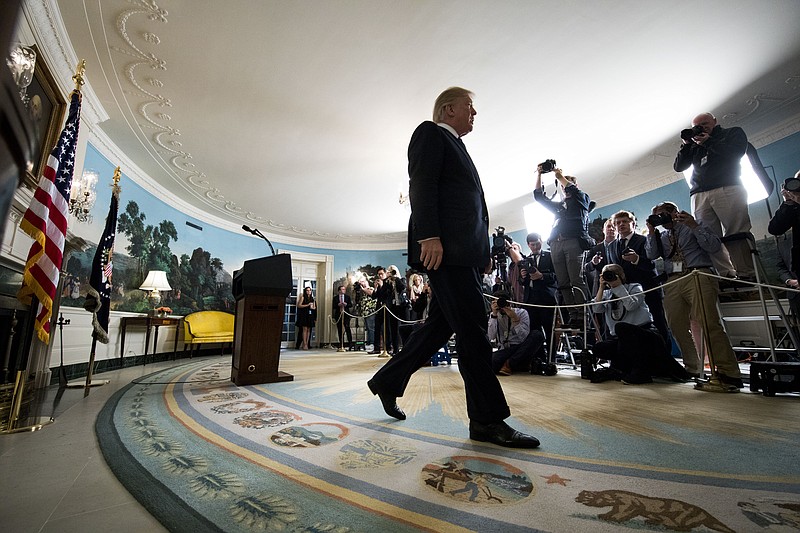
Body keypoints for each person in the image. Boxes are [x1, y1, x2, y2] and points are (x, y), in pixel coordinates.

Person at [366, 87, 540, 448]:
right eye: (469, 107)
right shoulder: (430, 133)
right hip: (444, 252)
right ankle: (487, 420)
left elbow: (470, 207)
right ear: (448, 110)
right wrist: (429, 235)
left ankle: (387, 381)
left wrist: (482, 254)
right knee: (474, 329)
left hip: (464, 254)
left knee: (439, 327)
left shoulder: (459, 146)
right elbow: (422, 185)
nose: (474, 113)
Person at [644, 202, 743, 388]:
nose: (662, 220)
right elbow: (651, 255)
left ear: (675, 212)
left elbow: (713, 246)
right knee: (676, 325)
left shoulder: (693, 225)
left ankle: (728, 372)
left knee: (708, 322)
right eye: (657, 216)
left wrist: (694, 226)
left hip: (697, 273)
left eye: (664, 214)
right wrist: (651, 232)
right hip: (672, 279)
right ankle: (692, 367)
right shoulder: (661, 236)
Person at [673, 112, 754, 280]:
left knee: (736, 231)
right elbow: (679, 166)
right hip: (699, 193)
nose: (701, 127)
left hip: (728, 186)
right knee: (709, 236)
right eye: (697, 125)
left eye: (705, 123)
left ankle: (747, 275)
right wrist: (687, 144)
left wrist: (708, 141)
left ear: (715, 121)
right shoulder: (695, 143)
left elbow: (736, 153)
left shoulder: (731, 133)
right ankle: (725, 275)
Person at [590, 264, 689, 384]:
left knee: (621, 327)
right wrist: (601, 288)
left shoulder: (635, 287)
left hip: (644, 333)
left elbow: (631, 306)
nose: (608, 277)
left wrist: (619, 287)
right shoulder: (607, 294)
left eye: (611, 274)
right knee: (599, 347)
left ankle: (641, 373)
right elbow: (597, 309)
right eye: (605, 275)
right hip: (622, 338)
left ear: (621, 275)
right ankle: (626, 369)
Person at [533, 164, 592, 328]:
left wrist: (559, 175)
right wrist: (539, 174)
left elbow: (574, 191)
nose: (565, 189)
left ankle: (583, 315)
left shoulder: (582, 200)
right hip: (556, 244)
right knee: (564, 282)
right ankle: (573, 316)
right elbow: (539, 197)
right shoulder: (559, 207)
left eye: (567, 185)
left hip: (573, 242)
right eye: (563, 187)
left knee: (576, 279)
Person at [610, 210, 670, 345]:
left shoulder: (644, 240)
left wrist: (637, 259)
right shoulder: (611, 246)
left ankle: (666, 358)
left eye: (625, 221)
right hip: (626, 294)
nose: (621, 225)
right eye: (618, 223)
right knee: (629, 327)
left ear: (633, 223)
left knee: (658, 324)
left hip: (648, 289)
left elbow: (654, 263)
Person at [508, 232, 557, 357]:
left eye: (537, 244)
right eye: (532, 245)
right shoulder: (525, 260)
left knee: (549, 329)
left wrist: (542, 276)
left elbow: (557, 277)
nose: (535, 247)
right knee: (534, 331)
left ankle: (552, 358)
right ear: (528, 245)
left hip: (547, 299)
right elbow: (522, 282)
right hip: (530, 300)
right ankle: (539, 358)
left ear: (541, 241)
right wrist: (523, 277)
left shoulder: (551, 256)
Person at [488, 292, 543, 376]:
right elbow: (490, 336)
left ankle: (509, 364)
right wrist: (494, 315)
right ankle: (517, 364)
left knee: (537, 335)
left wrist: (515, 319)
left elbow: (524, 337)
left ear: (509, 302)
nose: (501, 305)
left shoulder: (521, 313)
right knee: (491, 361)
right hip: (505, 350)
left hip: (521, 347)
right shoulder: (494, 316)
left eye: (503, 302)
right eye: (497, 302)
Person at [332, 284, 354, 350]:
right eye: (342, 289)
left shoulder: (347, 297)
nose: (343, 290)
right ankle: (341, 343)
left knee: (347, 328)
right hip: (338, 314)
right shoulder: (335, 298)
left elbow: (350, 305)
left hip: (346, 314)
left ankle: (350, 343)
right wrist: (338, 304)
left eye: (344, 289)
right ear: (339, 291)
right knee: (340, 329)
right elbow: (333, 306)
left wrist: (346, 304)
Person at [296, 286, 316, 350]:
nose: (308, 292)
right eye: (307, 290)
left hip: (310, 315)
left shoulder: (312, 299)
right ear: (305, 291)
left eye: (310, 290)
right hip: (304, 314)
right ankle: (304, 344)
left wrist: (312, 306)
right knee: (304, 329)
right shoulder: (303, 297)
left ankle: (307, 343)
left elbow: (314, 308)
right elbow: (299, 305)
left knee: (309, 330)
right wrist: (307, 305)